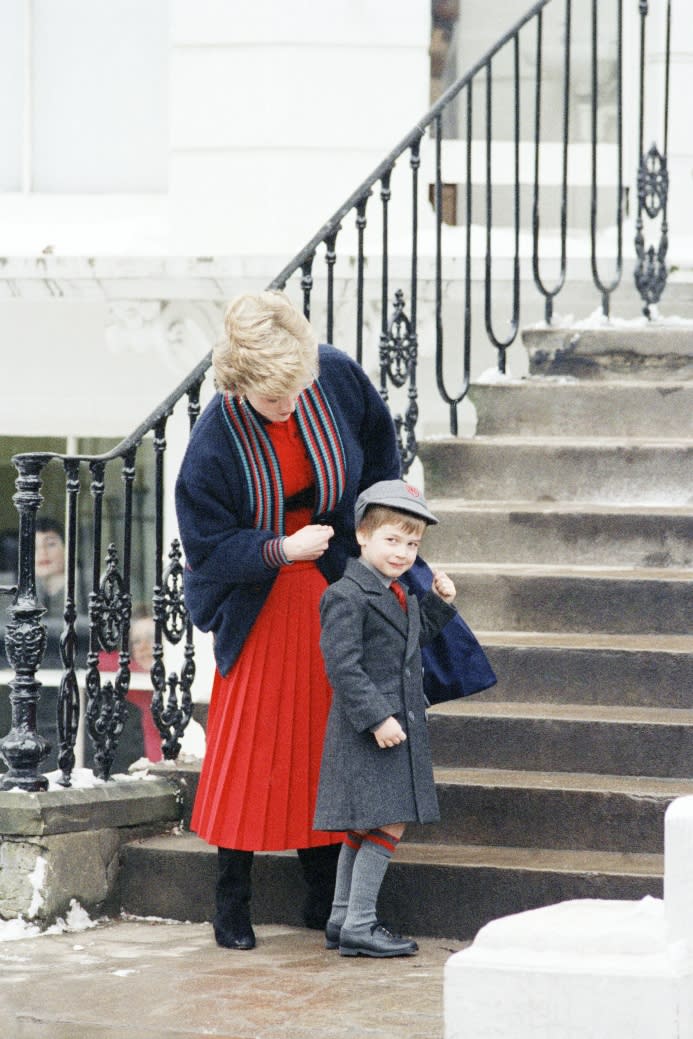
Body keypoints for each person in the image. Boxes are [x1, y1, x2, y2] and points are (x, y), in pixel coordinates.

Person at [174, 290, 401, 950]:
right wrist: (278, 548)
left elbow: (379, 453)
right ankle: (231, 903)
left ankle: (319, 900)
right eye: (277, 399)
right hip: (262, 600)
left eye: (299, 390)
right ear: (241, 384)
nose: (293, 404)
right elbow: (208, 545)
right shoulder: (213, 440)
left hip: (332, 589)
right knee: (248, 752)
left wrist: (379, 535)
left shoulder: (331, 375)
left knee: (325, 745)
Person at [313, 479, 457, 958]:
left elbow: (406, 644)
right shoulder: (347, 595)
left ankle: (341, 917)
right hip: (372, 731)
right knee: (388, 822)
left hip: (393, 727)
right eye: (392, 540)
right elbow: (343, 667)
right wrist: (377, 719)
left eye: (412, 544)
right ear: (362, 536)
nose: (402, 553)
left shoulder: (393, 593)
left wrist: (439, 603)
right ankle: (360, 923)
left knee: (365, 825)